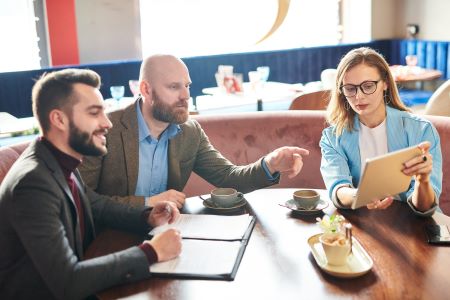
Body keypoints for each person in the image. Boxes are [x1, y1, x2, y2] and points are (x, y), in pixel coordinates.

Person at [0, 69, 182, 299]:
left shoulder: (58, 158)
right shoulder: (32, 184)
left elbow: (96, 205)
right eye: (94, 113)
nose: (107, 123)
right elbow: (68, 281)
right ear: (59, 119)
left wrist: (147, 216)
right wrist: (151, 252)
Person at [79, 54, 309, 208]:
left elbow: (228, 178)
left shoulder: (189, 132)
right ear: (146, 90)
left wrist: (270, 163)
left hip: (171, 233)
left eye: (187, 85)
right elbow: (83, 199)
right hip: (114, 237)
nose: (186, 96)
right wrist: (148, 202)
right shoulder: (104, 129)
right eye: (173, 87)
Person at [320, 47, 442, 216]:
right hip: (365, 223)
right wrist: (363, 195)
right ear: (341, 91)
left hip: (416, 226)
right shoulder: (333, 137)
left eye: (368, 86)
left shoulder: (420, 130)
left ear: (385, 83)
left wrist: (423, 181)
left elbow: (426, 208)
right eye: (350, 88)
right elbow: (337, 189)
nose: (359, 96)